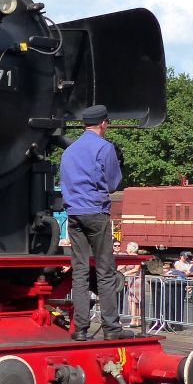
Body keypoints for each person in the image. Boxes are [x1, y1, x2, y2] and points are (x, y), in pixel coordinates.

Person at [60, 104, 124, 341]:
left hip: (74, 215)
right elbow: (113, 184)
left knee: (80, 272)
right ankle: (111, 329)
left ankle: (80, 330)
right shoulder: (104, 148)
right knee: (105, 272)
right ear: (104, 123)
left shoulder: (69, 151)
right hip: (96, 212)